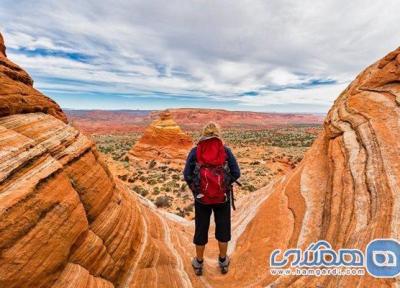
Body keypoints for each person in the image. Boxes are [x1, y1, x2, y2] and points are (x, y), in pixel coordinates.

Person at [183, 122, 240, 276]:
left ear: (203, 133)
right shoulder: (225, 150)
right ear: (218, 134)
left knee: (201, 229)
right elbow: (236, 172)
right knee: (223, 229)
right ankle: (223, 261)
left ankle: (199, 263)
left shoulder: (195, 151)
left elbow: (186, 174)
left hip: (202, 199)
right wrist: (225, 186)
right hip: (223, 198)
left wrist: (197, 190)